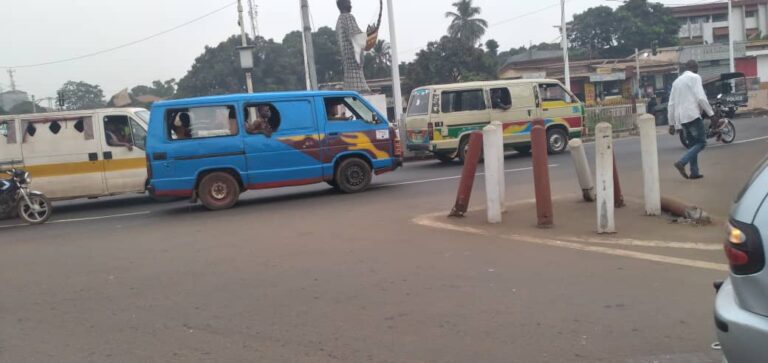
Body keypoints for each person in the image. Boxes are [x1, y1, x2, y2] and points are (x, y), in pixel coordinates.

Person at [668, 59, 717, 180]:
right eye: (697, 67)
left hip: (682, 118)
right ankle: (682, 162)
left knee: (692, 145)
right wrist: (711, 114)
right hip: (692, 115)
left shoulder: (676, 82)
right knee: (701, 142)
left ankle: (694, 172)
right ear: (694, 67)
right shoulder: (695, 77)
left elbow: (671, 104)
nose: (698, 70)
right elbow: (701, 97)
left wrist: (671, 123)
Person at [336, 0, 371, 93]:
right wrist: (370, 34)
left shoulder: (339, 21)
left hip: (346, 61)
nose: (351, 5)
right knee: (360, 88)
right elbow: (356, 36)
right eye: (349, 3)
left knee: (350, 83)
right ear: (344, 4)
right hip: (353, 61)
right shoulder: (348, 17)